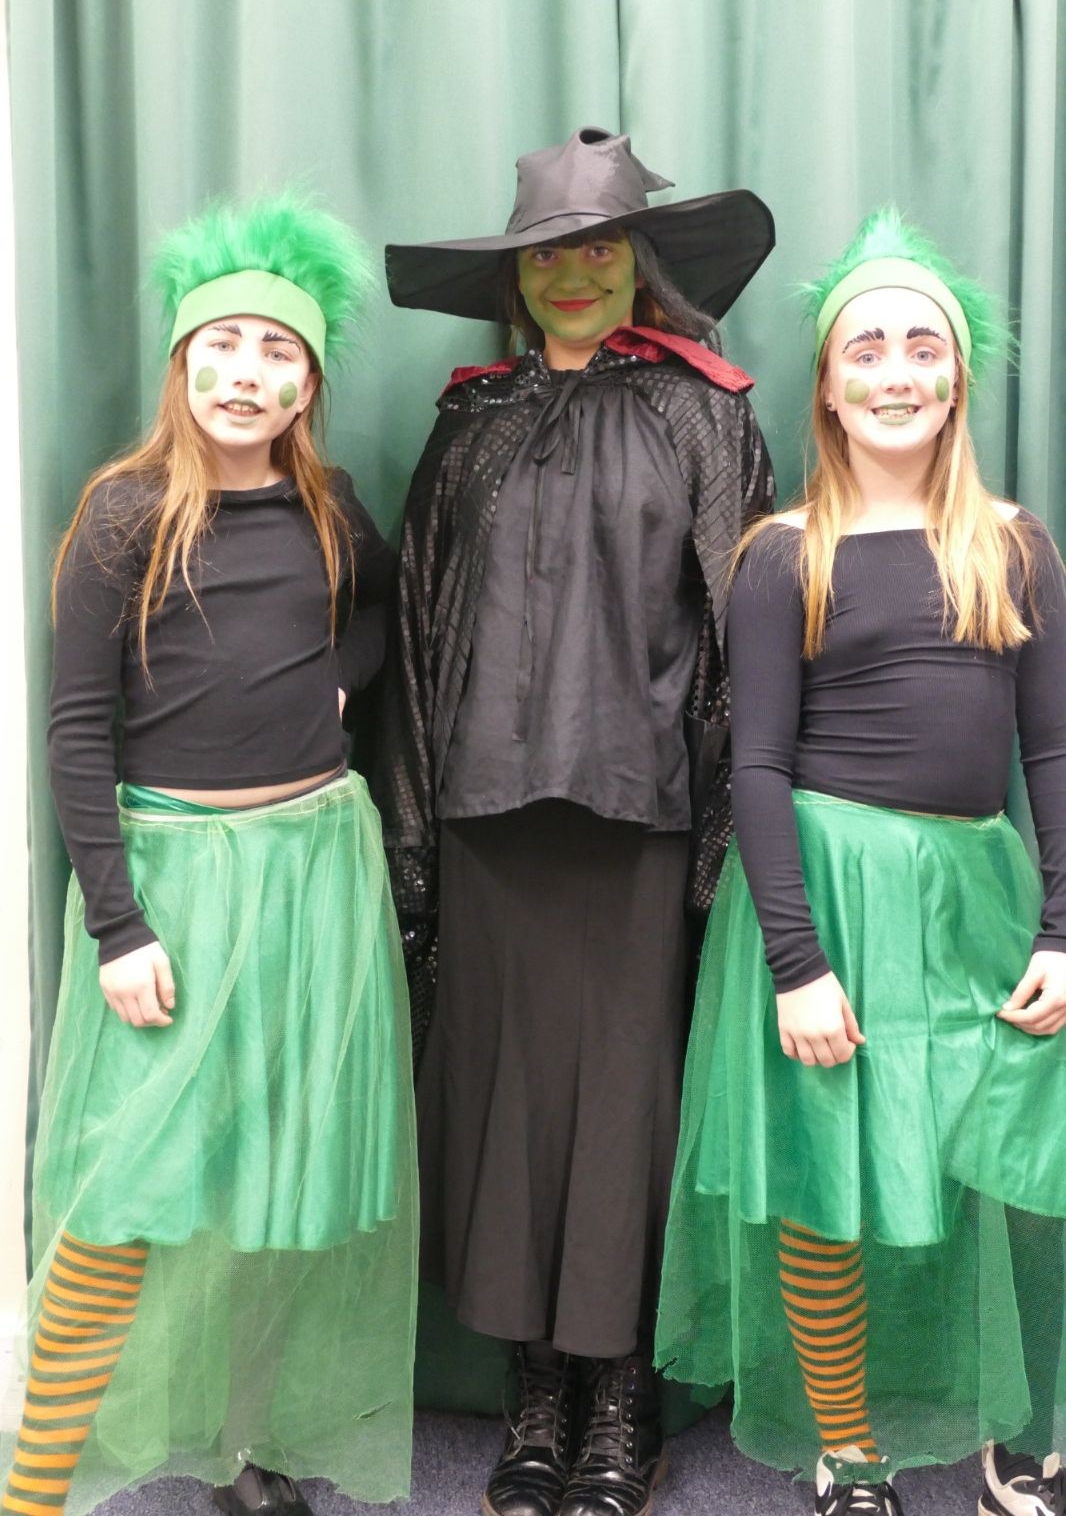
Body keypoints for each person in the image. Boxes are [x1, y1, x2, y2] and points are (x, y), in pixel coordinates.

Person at [378, 127, 775, 1516]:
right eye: (548, 253)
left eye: (599, 246)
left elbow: (742, 635)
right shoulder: (469, 423)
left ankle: (621, 1401)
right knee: (508, 1112)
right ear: (516, 275)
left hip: (638, 826)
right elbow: (418, 636)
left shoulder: (704, 413)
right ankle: (534, 1396)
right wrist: (412, 845)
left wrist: (721, 847)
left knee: (625, 1117)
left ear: (638, 262)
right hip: (488, 826)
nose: (573, 273)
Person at [0, 195, 417, 1516]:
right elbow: (75, 730)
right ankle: (33, 1486)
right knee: (124, 1194)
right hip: (175, 885)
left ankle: (242, 1449)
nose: (246, 371)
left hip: (314, 871)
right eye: (221, 345)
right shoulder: (124, 514)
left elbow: (387, 612)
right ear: (182, 363)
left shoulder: (328, 508)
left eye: (277, 351)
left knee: (274, 1180)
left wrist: (343, 680)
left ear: (309, 384)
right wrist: (117, 926)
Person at [654, 209, 1066, 1515]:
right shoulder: (784, 554)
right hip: (825, 903)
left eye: (921, 348)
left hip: (974, 899)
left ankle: (1021, 1423)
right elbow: (757, 768)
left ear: (957, 378)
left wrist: (1060, 928)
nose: (896, 372)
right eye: (866, 350)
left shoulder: (1014, 544)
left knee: (1008, 1164)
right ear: (830, 387)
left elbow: (1051, 752)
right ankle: (846, 1447)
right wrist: (795, 963)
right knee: (823, 1181)